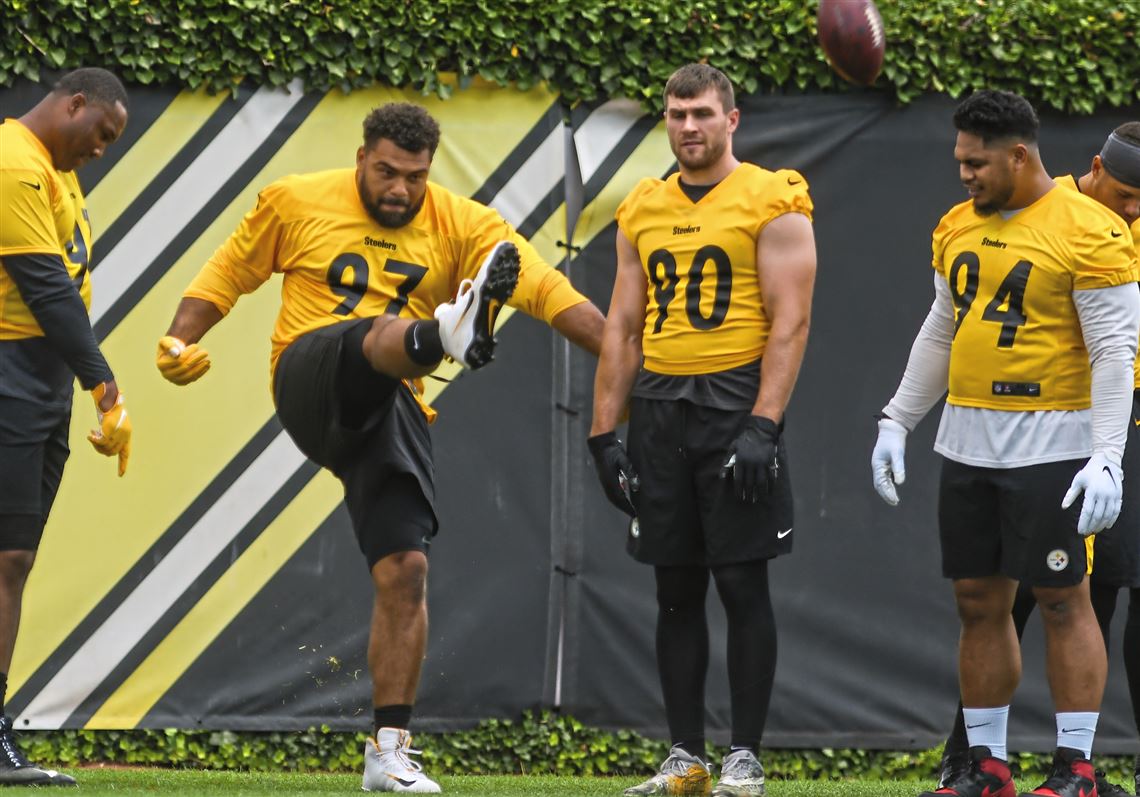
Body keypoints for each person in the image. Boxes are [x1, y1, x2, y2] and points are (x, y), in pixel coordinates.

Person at [155, 101, 602, 793]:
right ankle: (443, 336)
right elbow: (225, 276)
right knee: (370, 334)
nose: (399, 189)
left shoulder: (459, 221)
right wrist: (181, 338)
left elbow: (548, 289)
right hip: (308, 377)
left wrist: (631, 361)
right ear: (362, 158)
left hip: (392, 406)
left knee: (406, 569)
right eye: (387, 172)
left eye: (414, 177)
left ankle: (388, 750)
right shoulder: (295, 198)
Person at [870, 90, 1140, 797]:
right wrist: (897, 419)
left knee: (1062, 598)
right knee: (977, 600)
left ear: (1018, 155)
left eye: (976, 161)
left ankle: (1075, 766)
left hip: (1054, 435)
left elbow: (1115, 351)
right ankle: (986, 765)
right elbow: (941, 328)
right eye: (960, 160)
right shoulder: (956, 225)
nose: (964, 173)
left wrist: (1106, 454)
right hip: (968, 437)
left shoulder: (1091, 228)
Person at [589, 63, 816, 797]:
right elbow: (622, 327)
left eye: (701, 114)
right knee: (674, 588)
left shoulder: (772, 196)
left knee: (743, 583)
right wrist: (603, 434)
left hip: (733, 403)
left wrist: (764, 424)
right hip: (659, 409)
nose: (688, 126)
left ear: (732, 120)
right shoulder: (642, 207)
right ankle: (684, 755)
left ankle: (743, 755)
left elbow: (791, 322)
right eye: (677, 114)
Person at [0, 67, 132, 787]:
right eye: (102, 132)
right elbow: (44, 285)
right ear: (72, 103)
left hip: (37, 382)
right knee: (3, 559)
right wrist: (104, 384)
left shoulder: (55, 167)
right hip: (9, 373)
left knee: (12, 557)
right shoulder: (12, 160)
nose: (102, 149)